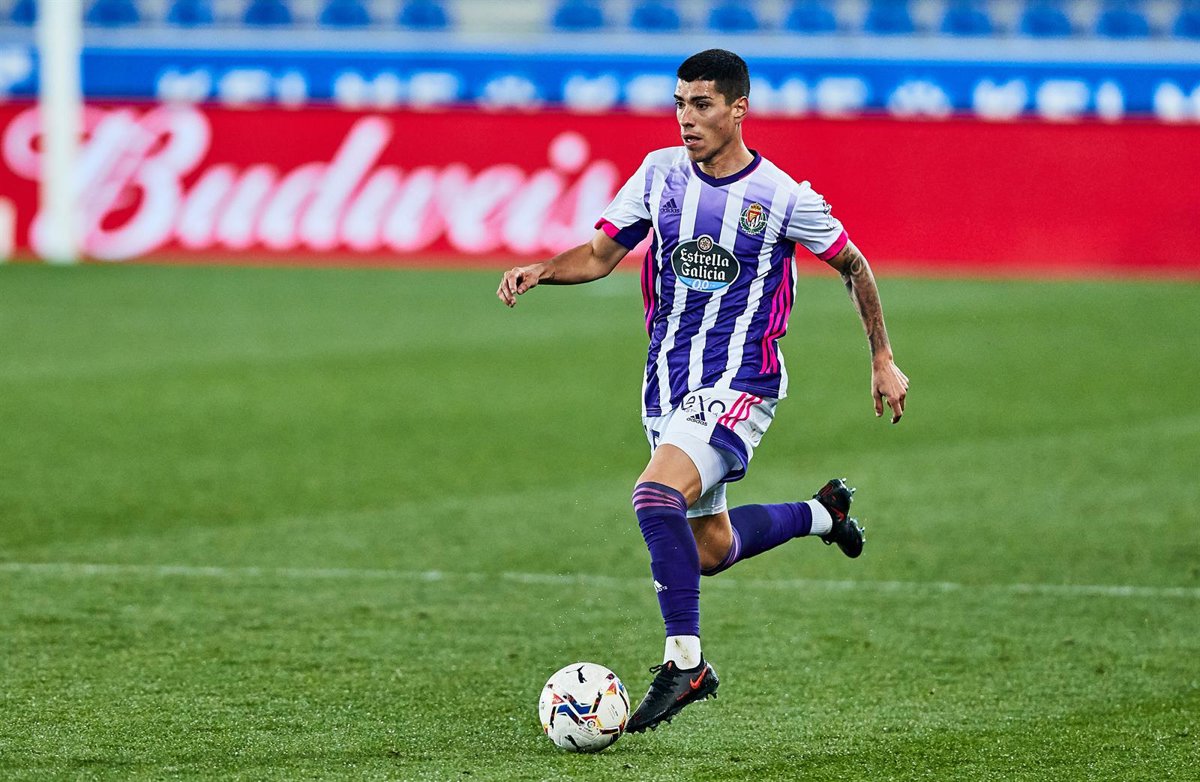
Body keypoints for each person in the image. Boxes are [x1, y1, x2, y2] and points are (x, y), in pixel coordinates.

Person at [497, 49, 909, 734]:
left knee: (654, 496)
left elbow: (853, 264)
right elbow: (599, 255)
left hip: (741, 382)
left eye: (702, 105)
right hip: (667, 387)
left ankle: (685, 663)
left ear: (738, 109)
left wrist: (882, 357)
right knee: (709, 550)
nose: (686, 118)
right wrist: (544, 269)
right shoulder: (659, 174)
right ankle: (823, 513)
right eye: (680, 104)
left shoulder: (781, 197)